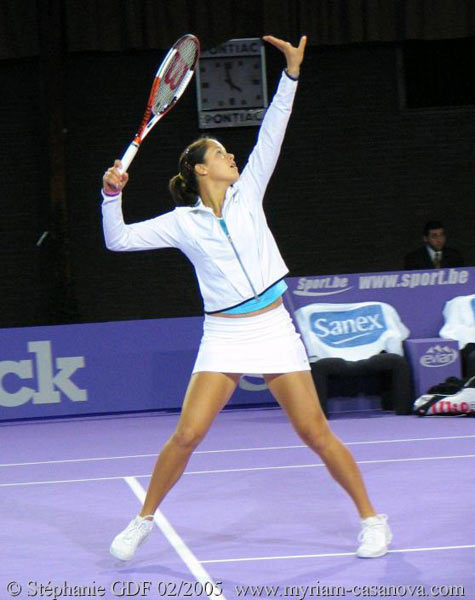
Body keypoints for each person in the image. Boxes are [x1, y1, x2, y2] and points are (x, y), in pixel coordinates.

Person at [101, 35, 392, 562]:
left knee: (314, 433)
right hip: (225, 334)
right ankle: (143, 520)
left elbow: (272, 132)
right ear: (199, 170)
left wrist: (291, 75)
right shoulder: (181, 224)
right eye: (220, 153)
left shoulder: (248, 191)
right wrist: (111, 195)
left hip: (274, 327)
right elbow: (117, 239)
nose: (231, 155)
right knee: (187, 434)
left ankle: (373, 520)